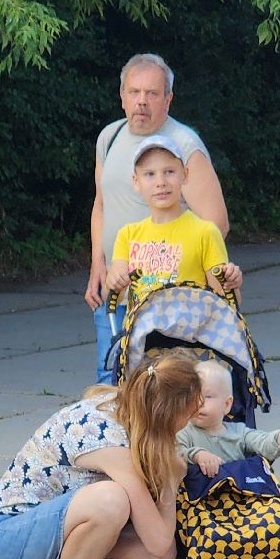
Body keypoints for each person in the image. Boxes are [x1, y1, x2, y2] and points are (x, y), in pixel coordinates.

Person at [0, 352, 202, 559]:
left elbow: (158, 551)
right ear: (166, 415)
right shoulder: (108, 440)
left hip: (38, 544)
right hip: (2, 543)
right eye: (187, 414)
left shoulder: (123, 407)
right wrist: (170, 482)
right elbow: (158, 538)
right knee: (111, 500)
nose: (188, 423)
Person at [86, 53, 231, 384]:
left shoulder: (183, 146)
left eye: (152, 94)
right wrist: (98, 263)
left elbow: (216, 225)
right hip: (116, 293)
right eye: (134, 92)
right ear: (121, 96)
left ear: (169, 99)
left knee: (161, 389)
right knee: (112, 382)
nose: (141, 102)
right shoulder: (109, 138)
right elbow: (101, 204)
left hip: (165, 306)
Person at [104, 136, 242, 307]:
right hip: (143, 332)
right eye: (149, 174)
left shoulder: (205, 232)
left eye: (169, 172)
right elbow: (116, 295)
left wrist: (230, 283)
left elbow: (227, 304)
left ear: (184, 174)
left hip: (190, 332)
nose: (160, 182)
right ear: (136, 182)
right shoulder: (128, 235)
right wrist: (115, 280)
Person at [178, 360, 280, 475]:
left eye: (208, 397)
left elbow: (263, 443)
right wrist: (196, 455)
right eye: (192, 396)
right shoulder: (183, 432)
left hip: (235, 494)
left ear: (226, 404)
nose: (198, 403)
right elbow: (172, 453)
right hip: (196, 495)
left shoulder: (239, 432)